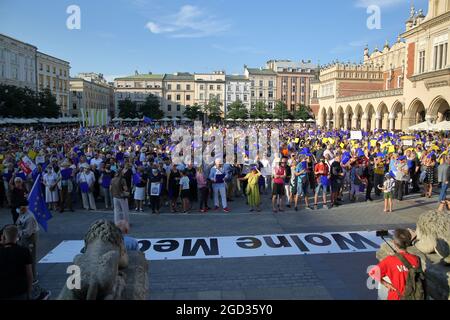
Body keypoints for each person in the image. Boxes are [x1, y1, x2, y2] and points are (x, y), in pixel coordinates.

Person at [368, 229, 420, 300]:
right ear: (408, 243)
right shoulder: (416, 259)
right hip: (413, 296)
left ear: (395, 244)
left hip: (396, 296)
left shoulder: (390, 260)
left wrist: (387, 284)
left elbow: (372, 273)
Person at [0, 225, 34, 300]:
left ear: (3, 237)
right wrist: (29, 291)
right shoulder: (24, 251)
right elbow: (29, 274)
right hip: (19, 290)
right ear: (17, 237)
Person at [16, 199, 39, 283]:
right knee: (26, 257)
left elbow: (28, 232)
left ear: (24, 207)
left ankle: (33, 278)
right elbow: (19, 223)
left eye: (19, 207)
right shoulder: (22, 214)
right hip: (24, 239)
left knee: (31, 258)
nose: (18, 209)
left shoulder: (30, 217)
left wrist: (18, 233)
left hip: (30, 239)